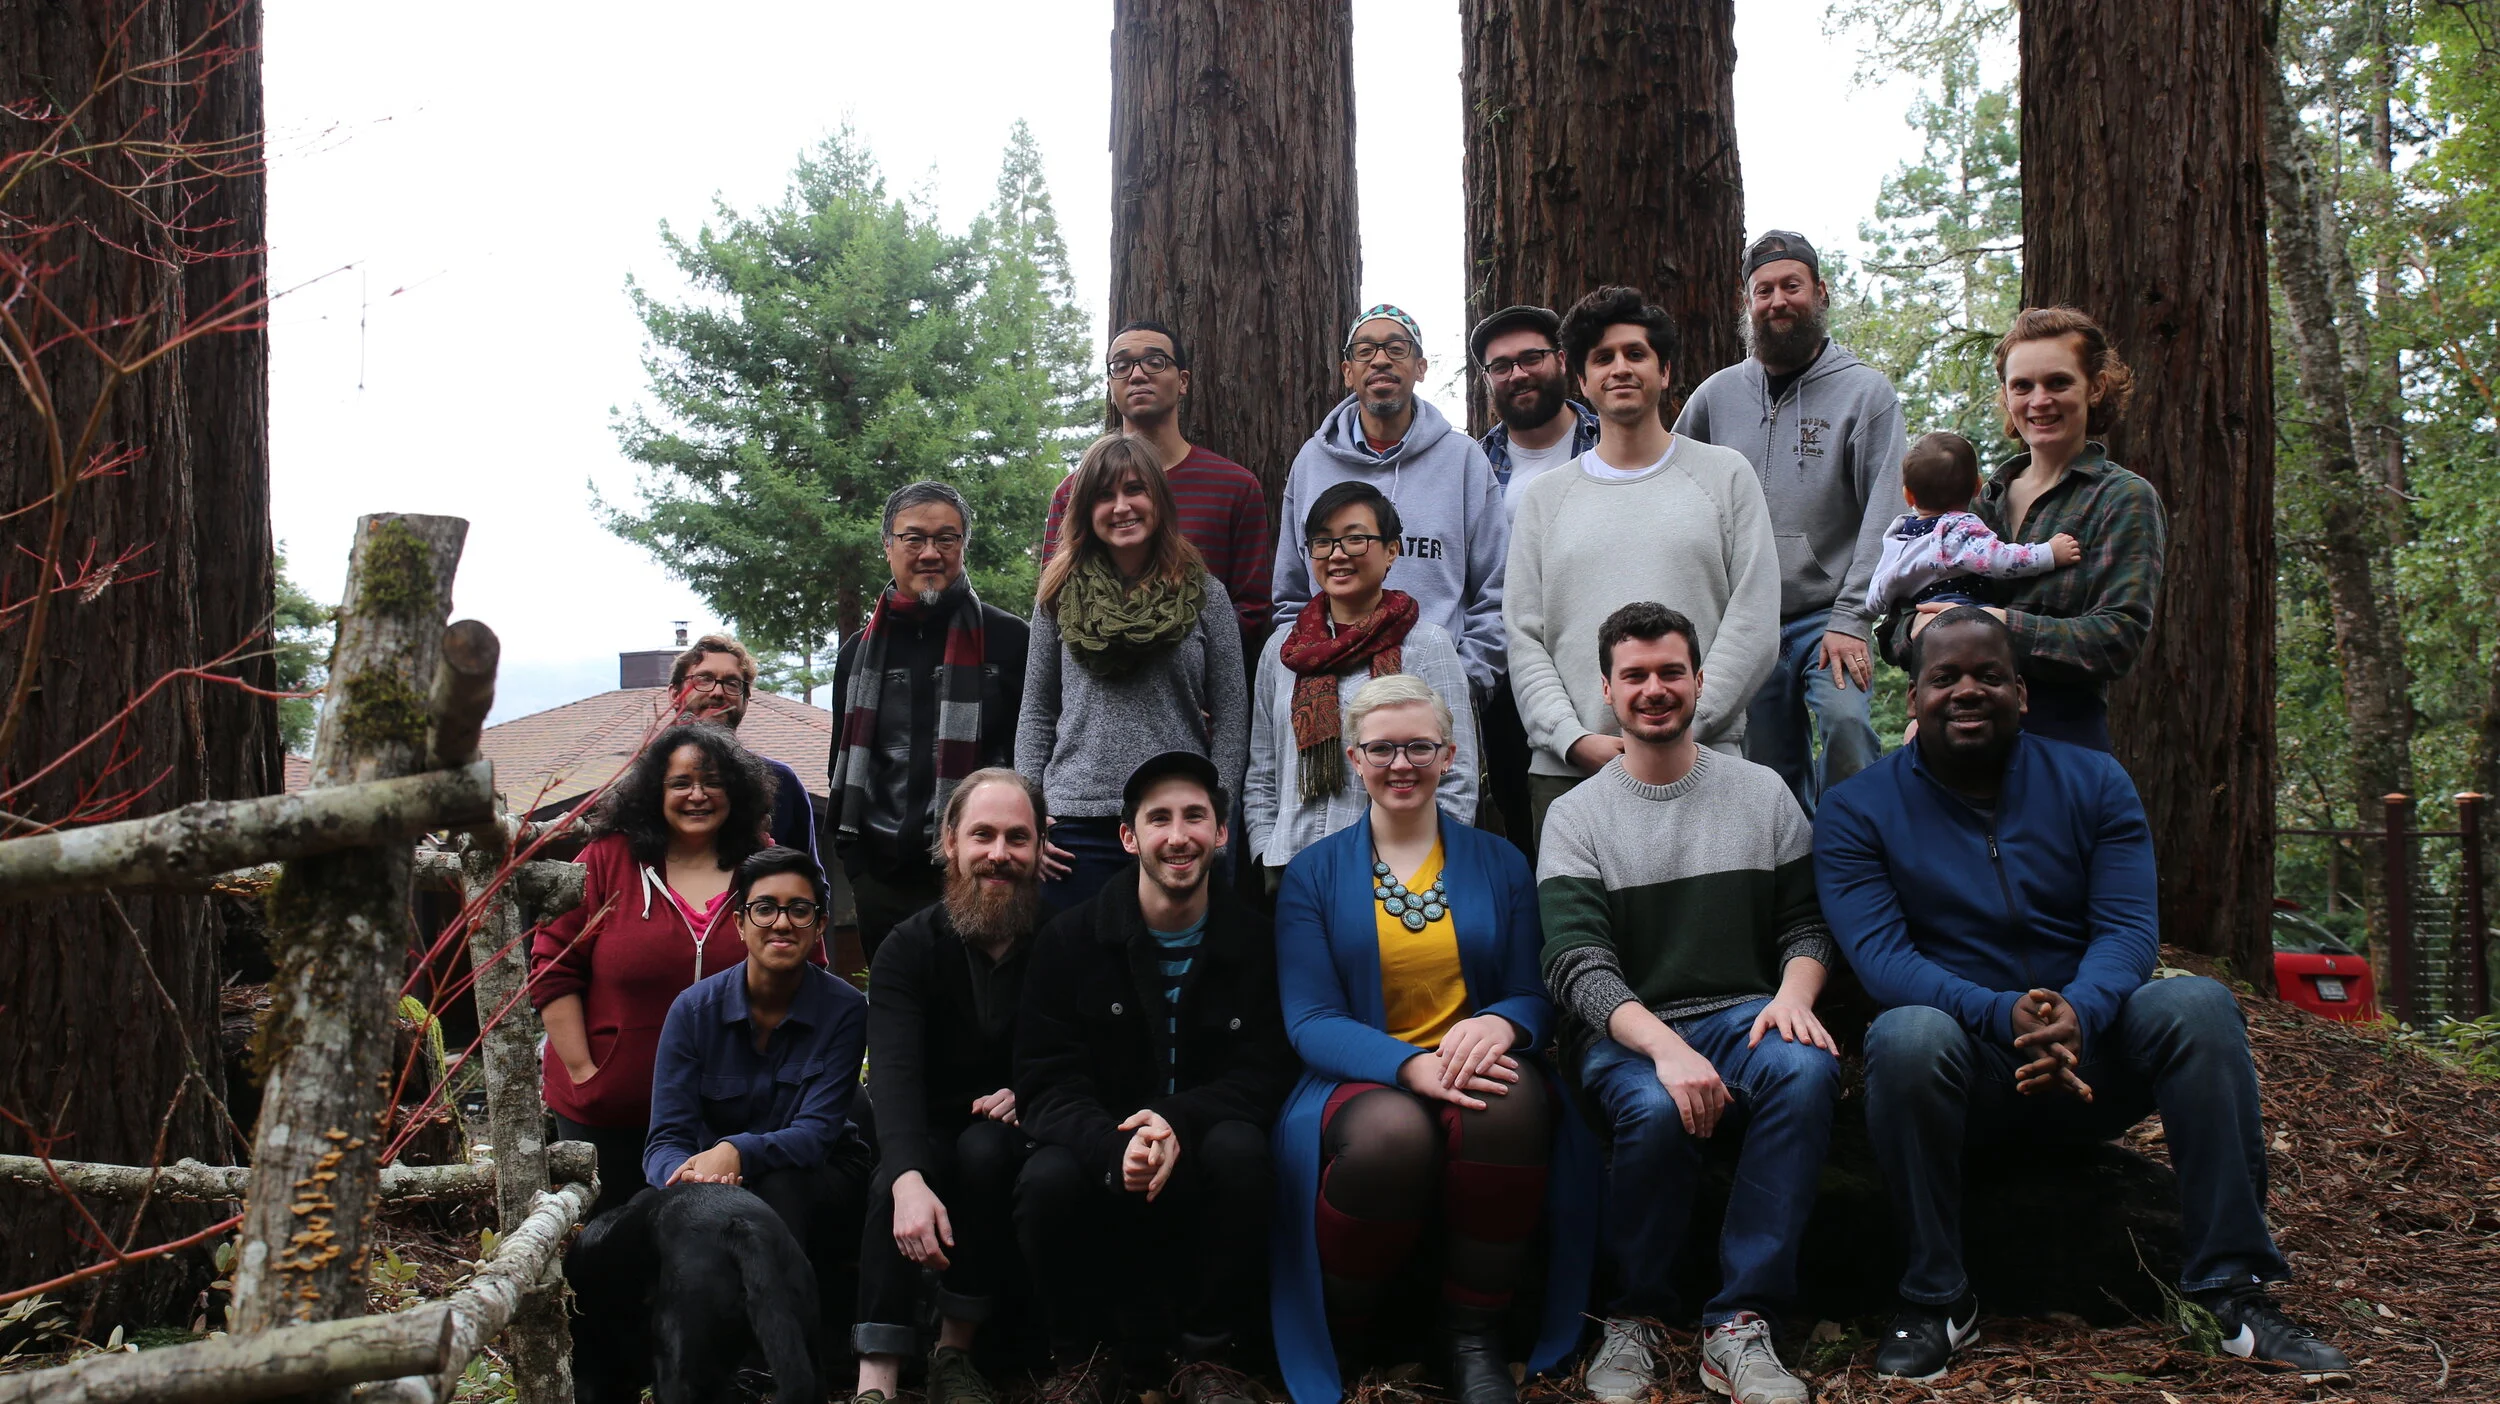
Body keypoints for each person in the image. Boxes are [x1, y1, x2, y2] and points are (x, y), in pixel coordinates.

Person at [1815, 608, 2351, 1383]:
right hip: (1970, 1073)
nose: (1968, 691)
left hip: (2094, 1056)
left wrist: (2079, 1011)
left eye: (1988, 675)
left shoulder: (2094, 780)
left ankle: (2235, 1295)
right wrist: (2003, 1016)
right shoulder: (1857, 809)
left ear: (2023, 694)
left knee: (2197, 1005)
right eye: (1946, 677)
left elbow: (2130, 929)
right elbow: (1882, 960)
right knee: (1905, 1033)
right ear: (1913, 699)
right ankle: (1936, 1297)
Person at [1538, 604, 1840, 1404]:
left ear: (1700, 681)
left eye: (1671, 671)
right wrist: (1669, 1050)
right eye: (1634, 675)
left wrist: (1795, 996)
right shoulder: (1576, 816)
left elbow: (1807, 924)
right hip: (1626, 1030)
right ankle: (1634, 1316)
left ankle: (1741, 1320)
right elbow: (1579, 968)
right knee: (1655, 1107)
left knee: (1805, 1073)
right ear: (1607, 690)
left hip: (1747, 1013)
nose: (1654, 689)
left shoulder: (1762, 792)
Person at [1270, 673, 1596, 1404]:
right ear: (1353, 759)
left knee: (1510, 1103)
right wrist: (1410, 1067)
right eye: (1381, 748)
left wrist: (1501, 1022)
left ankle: (1474, 1337)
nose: (1401, 764)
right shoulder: (1312, 875)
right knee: (1393, 1136)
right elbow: (1311, 1020)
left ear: (1451, 755)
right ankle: (1351, 1329)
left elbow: (1534, 992)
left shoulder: (1501, 861)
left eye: (1420, 746)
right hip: (1356, 1076)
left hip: (1475, 1061)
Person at [1014, 752, 1298, 1404]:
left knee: (1243, 1151)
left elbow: (1264, 1072)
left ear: (1222, 833)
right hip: (1103, 1159)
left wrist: (1176, 1121)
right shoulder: (1068, 941)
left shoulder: (1256, 944)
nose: (1178, 836)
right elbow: (1045, 1083)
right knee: (1045, 1176)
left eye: (1195, 816)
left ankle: (1212, 1358)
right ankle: (1079, 1359)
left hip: (1205, 1158)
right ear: (1128, 836)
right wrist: (1117, 1145)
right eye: (1159, 818)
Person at [1505, 285, 1779, 846]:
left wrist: (1676, 732)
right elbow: (1523, 636)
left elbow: (1753, 622)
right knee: (1583, 935)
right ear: (1580, 381)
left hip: (1706, 764)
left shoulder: (1724, 476)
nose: (1620, 368)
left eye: (1636, 354)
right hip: (1570, 775)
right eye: (1602, 358)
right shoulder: (1544, 497)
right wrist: (1571, 738)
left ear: (1665, 371)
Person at [1674, 231, 1904, 813]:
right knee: (1769, 766)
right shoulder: (1715, 396)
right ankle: (1798, 886)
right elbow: (1675, 485)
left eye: (1791, 286)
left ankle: (1851, 852)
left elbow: (1886, 511)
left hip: (1830, 612)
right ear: (1748, 303)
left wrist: (1853, 617)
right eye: (1764, 290)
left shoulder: (1865, 393)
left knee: (1848, 727)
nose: (1777, 300)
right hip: (1743, 615)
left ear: (1820, 292)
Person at [1876, 307, 2167, 753]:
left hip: (2061, 742)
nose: (2039, 400)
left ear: (2096, 388)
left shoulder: (2121, 498)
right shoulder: (1974, 503)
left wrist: (1997, 625)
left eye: (2058, 382)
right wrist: (1915, 627)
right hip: (1951, 746)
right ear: (2007, 396)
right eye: (2022, 386)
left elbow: (2118, 639)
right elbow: (1895, 618)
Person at [852, 769, 1049, 1404]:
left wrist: (1031, 1090)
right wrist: (908, 1176)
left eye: (1017, 838)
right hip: (927, 1124)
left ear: (1041, 847)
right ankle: (874, 1380)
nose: (999, 855)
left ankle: (953, 1354)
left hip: (1022, 1132)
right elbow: (895, 1077)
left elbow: (1084, 1053)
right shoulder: (906, 950)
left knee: (985, 1151)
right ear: (950, 842)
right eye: (983, 835)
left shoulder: (1064, 942)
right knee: (895, 1176)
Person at [533, 724, 778, 1220]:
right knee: (610, 1254)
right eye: (680, 783)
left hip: (730, 1117)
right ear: (654, 791)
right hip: (612, 1111)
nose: (698, 795)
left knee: (710, 1252)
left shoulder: (763, 863)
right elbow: (553, 964)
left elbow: (802, 971)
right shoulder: (607, 860)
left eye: (713, 780)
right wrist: (584, 1073)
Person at [645, 845, 872, 1348]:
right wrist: (687, 1178)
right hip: (717, 1176)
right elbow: (665, 1138)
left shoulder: (845, 1009)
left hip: (826, 1176)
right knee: (673, 1206)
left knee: (779, 1186)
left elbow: (814, 1136)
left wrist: (737, 1151)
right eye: (764, 908)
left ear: (818, 926)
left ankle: (783, 1353)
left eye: (799, 909)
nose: (782, 923)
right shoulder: (692, 1011)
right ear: (739, 924)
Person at [1018, 433, 1249, 917]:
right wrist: (1032, 818)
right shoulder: (1057, 596)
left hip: (1178, 824)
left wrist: (1218, 816)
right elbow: (1037, 713)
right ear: (1086, 508)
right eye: (1105, 495)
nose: (1121, 507)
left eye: (1134, 490)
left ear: (1158, 500)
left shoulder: (1205, 594)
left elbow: (1232, 718)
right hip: (1076, 828)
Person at [828, 480, 1028, 961]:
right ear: (887, 547)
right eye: (913, 539)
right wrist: (858, 869)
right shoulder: (858, 653)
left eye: (946, 538)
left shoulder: (1009, 639)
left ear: (964, 545)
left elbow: (1031, 754)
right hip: (884, 880)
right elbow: (842, 758)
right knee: (899, 1021)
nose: (930, 553)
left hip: (984, 874)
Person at [1273, 304, 1509, 699]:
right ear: (1348, 372)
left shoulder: (1463, 460)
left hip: (1436, 691)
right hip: (1327, 692)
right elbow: (1290, 593)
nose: (1380, 360)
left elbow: (1496, 588)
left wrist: (1466, 679)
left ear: (1420, 367)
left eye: (1396, 348)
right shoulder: (1312, 462)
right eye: (1365, 351)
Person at [1246, 480, 1480, 876]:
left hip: (1393, 866)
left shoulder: (1425, 646)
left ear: (1392, 551)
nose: (1337, 555)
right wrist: (1265, 849)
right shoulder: (1283, 651)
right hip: (1293, 865)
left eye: (1355, 540)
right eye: (1322, 542)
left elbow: (1457, 771)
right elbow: (1263, 768)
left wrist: (1432, 863)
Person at [1041, 320, 1273, 663]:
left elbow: (1252, 610)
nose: (1137, 374)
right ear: (1110, 384)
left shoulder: (1233, 487)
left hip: (1194, 697)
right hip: (1096, 688)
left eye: (1154, 361)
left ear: (1183, 381)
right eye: (1121, 365)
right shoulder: (1074, 492)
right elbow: (1054, 603)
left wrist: (1188, 676)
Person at [1470, 304, 1600, 859]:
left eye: (1530, 358)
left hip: (1600, 659)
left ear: (1563, 361)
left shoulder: (1607, 439)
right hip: (1508, 674)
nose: (1517, 374)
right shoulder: (1473, 465)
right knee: (1525, 821)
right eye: (1501, 366)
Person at [1865, 432, 2082, 618]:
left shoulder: (1901, 535)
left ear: (1908, 496)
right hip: (1961, 612)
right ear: (1978, 486)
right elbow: (2001, 560)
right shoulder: (1958, 530)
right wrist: (2049, 554)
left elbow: (1877, 595)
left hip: (1922, 619)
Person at [671, 634, 824, 865]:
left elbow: (810, 882)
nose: (718, 692)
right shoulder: (648, 783)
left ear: (745, 700)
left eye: (732, 683)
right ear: (675, 695)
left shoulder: (781, 783)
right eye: (704, 679)